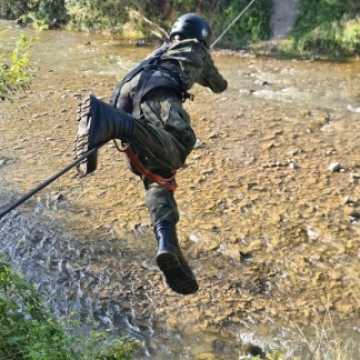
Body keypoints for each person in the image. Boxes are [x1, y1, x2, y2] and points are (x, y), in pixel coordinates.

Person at [74, 13, 227, 295]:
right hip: (154, 95)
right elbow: (219, 84)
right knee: (179, 146)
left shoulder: (161, 51)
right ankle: (108, 121)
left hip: (124, 95)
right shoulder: (196, 49)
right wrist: (209, 63)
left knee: (157, 175)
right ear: (202, 35)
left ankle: (167, 243)